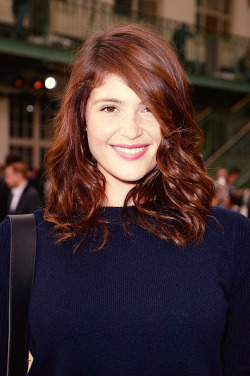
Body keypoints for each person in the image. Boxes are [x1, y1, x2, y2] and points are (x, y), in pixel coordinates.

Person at [0, 24, 249, 376]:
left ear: (170, 119)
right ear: (81, 118)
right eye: (109, 107)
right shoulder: (23, 243)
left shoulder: (231, 238)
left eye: (148, 107)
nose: (131, 129)